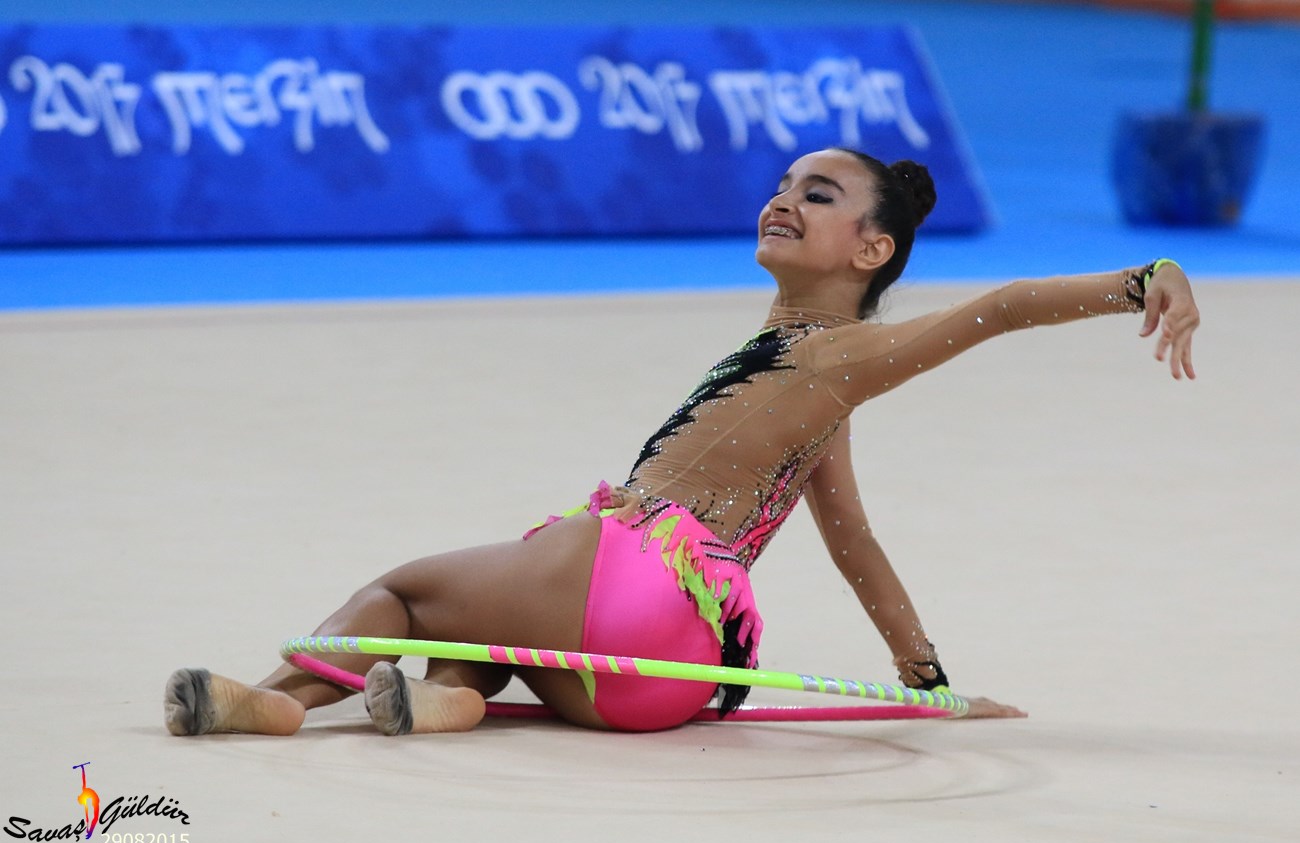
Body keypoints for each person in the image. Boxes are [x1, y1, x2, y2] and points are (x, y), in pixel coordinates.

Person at [163, 147, 1200, 737]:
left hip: (633, 581)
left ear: (872, 249)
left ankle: (279, 702)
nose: (784, 200)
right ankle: (441, 705)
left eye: (819, 197)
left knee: (402, 593)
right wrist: (925, 683)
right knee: (479, 643)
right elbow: (852, 542)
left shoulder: (843, 352)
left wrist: (1143, 280)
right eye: (784, 185)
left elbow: (1002, 306)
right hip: (665, 677)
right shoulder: (816, 388)